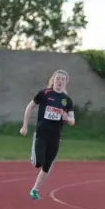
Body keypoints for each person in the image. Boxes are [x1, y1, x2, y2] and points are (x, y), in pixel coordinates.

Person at [19, 69, 75, 200]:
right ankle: (35, 156)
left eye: (63, 79)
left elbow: (72, 121)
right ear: (53, 80)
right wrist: (24, 126)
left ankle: (35, 190)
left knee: (47, 165)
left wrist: (66, 117)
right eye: (58, 78)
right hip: (42, 133)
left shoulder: (67, 101)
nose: (60, 81)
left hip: (55, 137)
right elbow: (29, 107)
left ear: (66, 82)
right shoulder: (44, 93)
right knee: (39, 162)